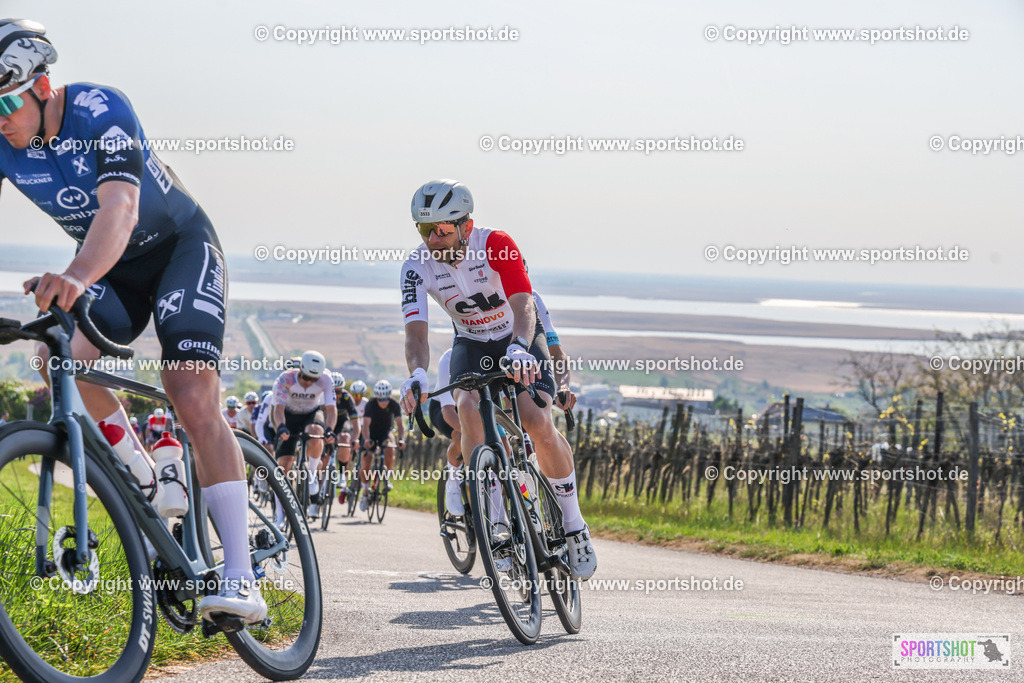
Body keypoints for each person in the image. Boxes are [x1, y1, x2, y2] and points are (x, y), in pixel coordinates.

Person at [0, 20, 264, 621]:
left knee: (190, 390)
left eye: (7, 102)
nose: (1, 121)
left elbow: (120, 207)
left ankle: (243, 577)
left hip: (177, 249)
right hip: (111, 271)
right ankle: (150, 479)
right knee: (58, 359)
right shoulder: (2, 139)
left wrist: (75, 277)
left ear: (43, 84)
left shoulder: (101, 107)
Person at [398, 179, 595, 580]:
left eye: (441, 229)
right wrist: (416, 374)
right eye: (424, 229)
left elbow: (524, 303)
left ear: (465, 226)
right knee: (468, 409)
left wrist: (521, 346)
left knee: (536, 420)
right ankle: (497, 523)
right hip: (471, 340)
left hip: (518, 335)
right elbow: (415, 332)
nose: (433, 238)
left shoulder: (496, 243)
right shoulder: (416, 267)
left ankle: (574, 526)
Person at [271, 351, 336, 524]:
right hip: (289, 415)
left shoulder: (326, 379)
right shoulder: (285, 379)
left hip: (311, 414)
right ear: (300, 369)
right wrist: (281, 427)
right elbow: (278, 409)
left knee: (316, 431)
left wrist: (330, 429)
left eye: (313, 379)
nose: (308, 382)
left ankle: (312, 474)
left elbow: (331, 409)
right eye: (305, 377)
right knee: (284, 464)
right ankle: (279, 513)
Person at [358, 379, 404, 510]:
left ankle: (386, 478)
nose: (383, 403)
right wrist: (366, 439)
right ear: (376, 398)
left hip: (385, 432)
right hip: (370, 433)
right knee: (366, 462)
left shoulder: (394, 404)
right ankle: (365, 492)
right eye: (381, 400)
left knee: (390, 449)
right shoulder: (370, 404)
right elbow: (365, 426)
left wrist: (401, 439)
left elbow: (400, 425)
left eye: (386, 400)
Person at [330, 372, 358, 503]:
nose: (336, 395)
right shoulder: (322, 395)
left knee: (345, 438)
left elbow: (355, 422)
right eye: (333, 392)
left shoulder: (347, 398)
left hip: (342, 423)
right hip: (327, 422)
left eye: (339, 391)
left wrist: (355, 438)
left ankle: (341, 474)